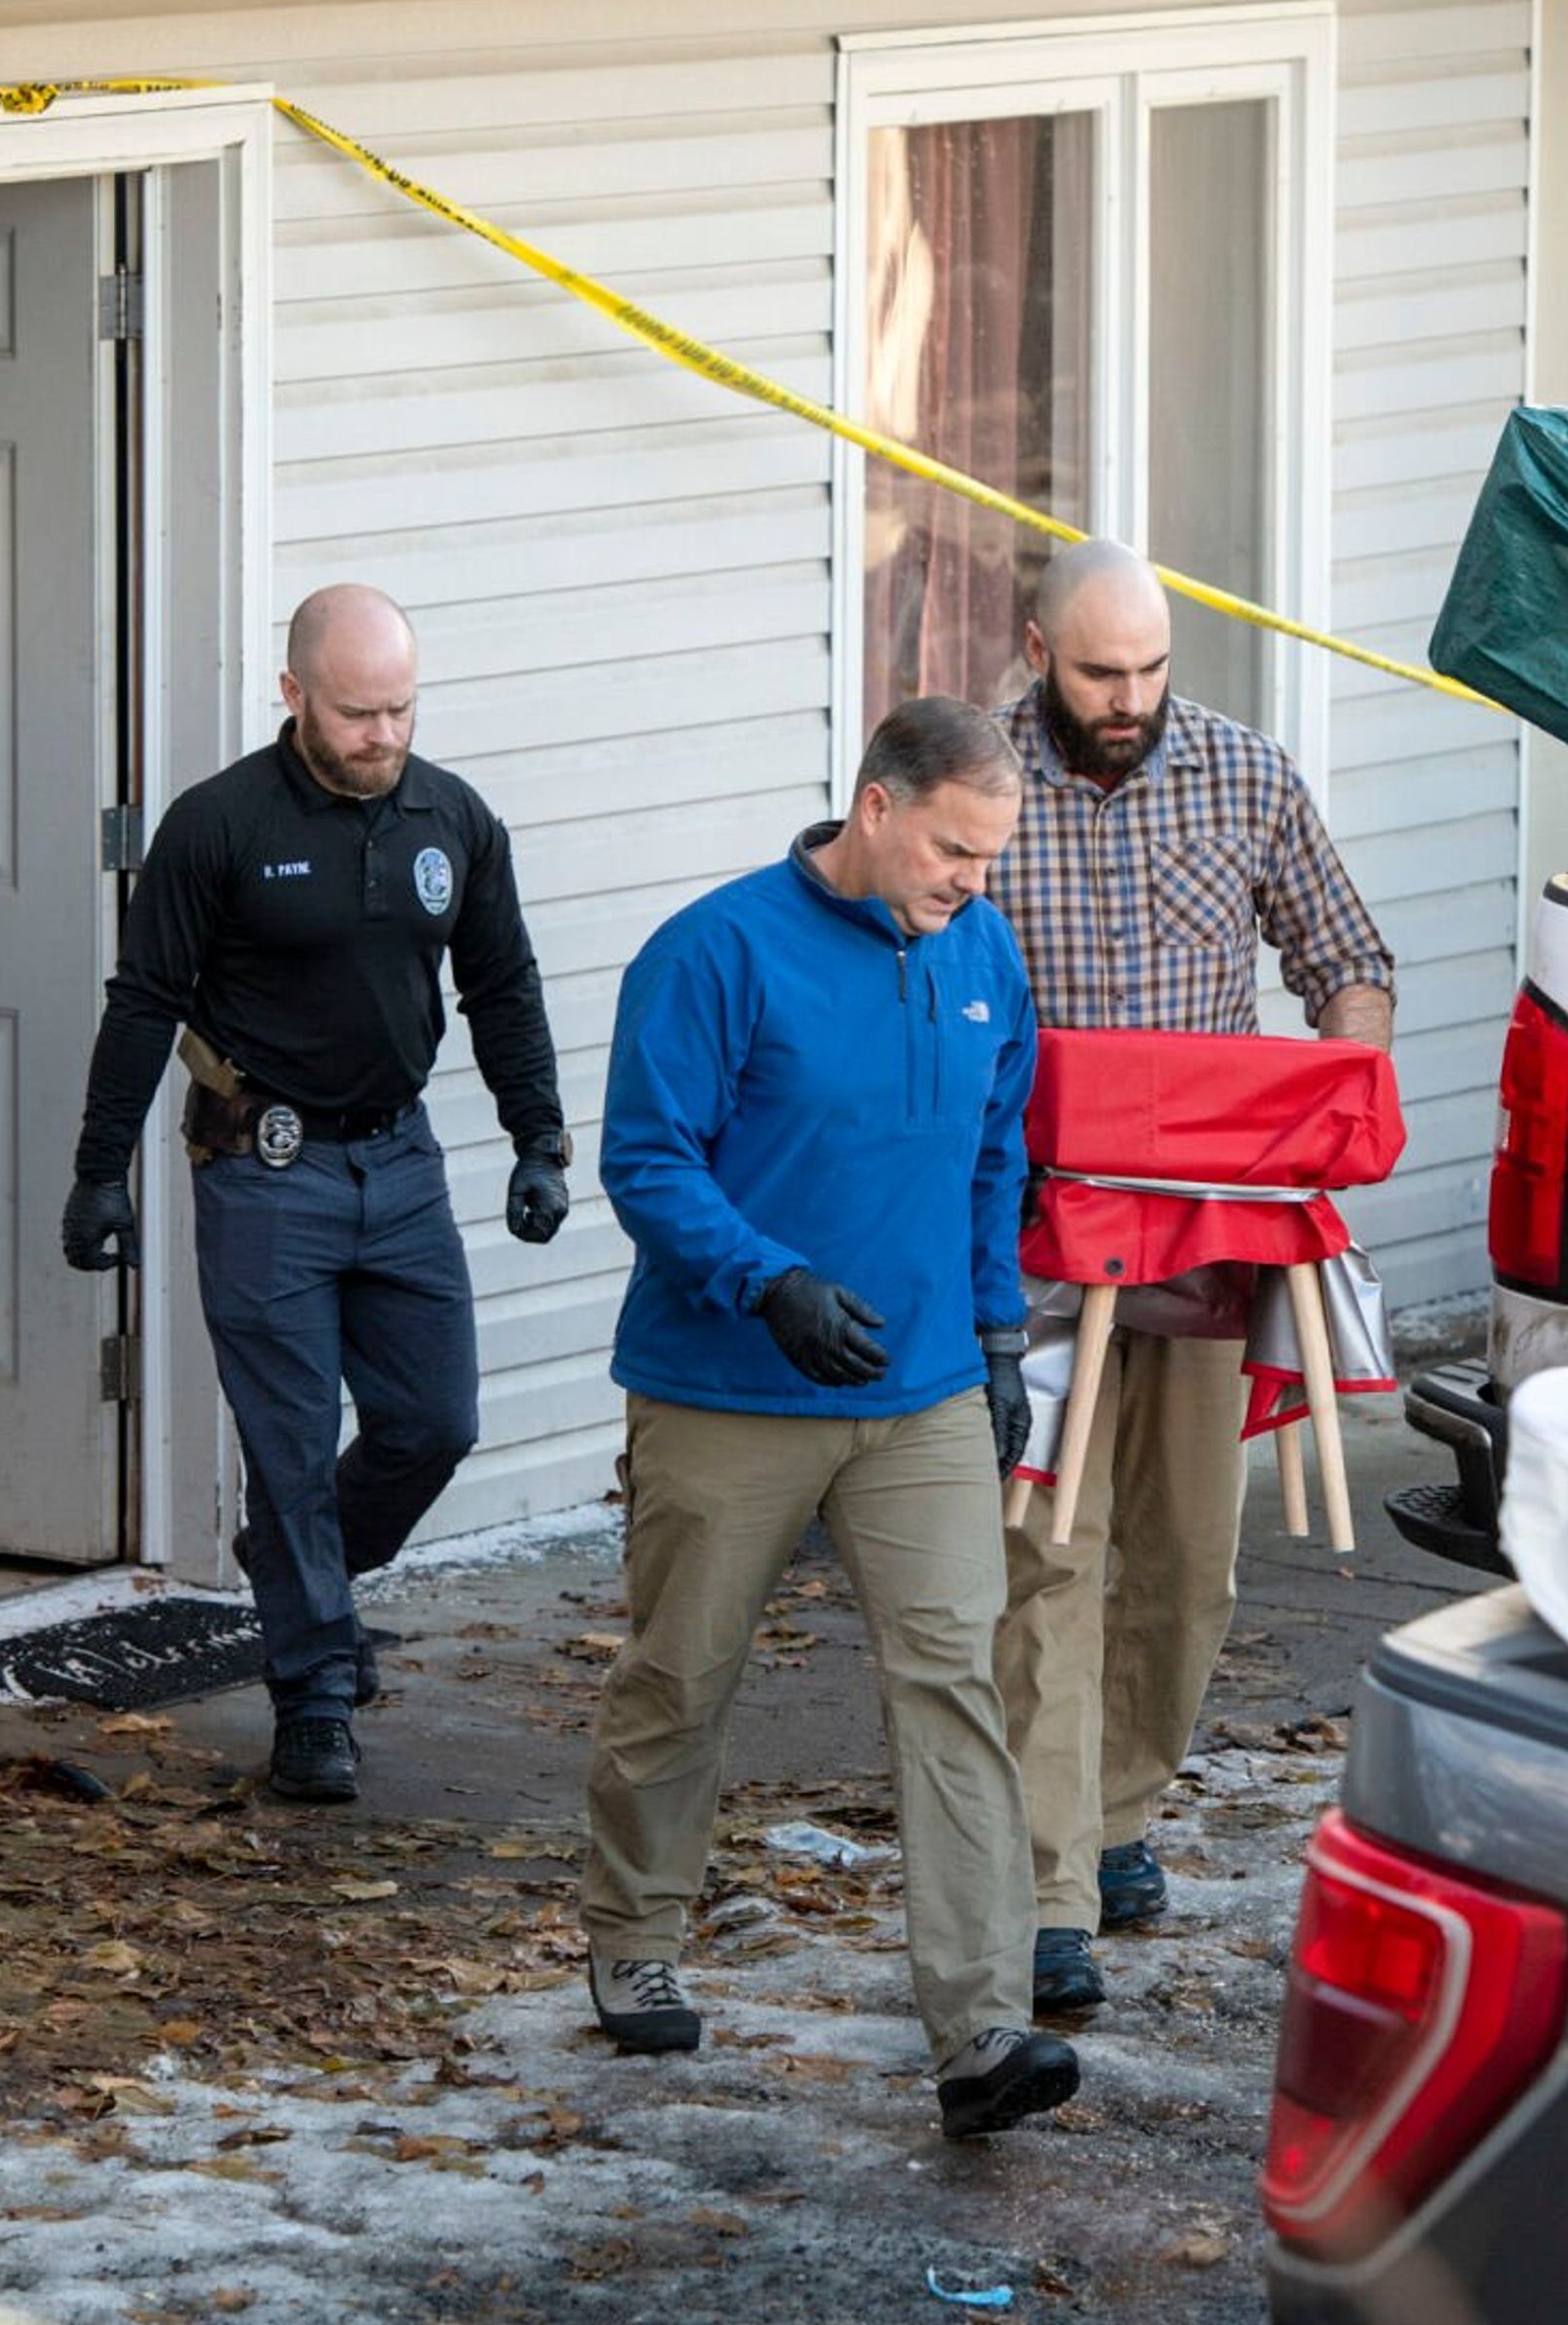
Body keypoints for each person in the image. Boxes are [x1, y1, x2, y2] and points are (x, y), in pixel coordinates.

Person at [580, 696, 1078, 2141]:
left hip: (920, 1389)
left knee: (954, 1684)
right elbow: (648, 1157)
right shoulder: (717, 951)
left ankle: (982, 2024)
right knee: (683, 1671)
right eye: (952, 848)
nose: (971, 882)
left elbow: (997, 1155)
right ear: (875, 805)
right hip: (729, 1384)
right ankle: (633, 1930)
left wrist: (997, 1341)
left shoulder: (981, 950)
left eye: (990, 856)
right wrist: (767, 1279)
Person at [58, 584, 571, 1808]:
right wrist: (97, 1171)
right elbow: (144, 1002)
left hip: (400, 1163)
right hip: (260, 1168)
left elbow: (501, 982)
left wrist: (538, 1136)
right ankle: (314, 1696)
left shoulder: (453, 818)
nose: (381, 735)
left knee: (432, 1421)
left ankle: (304, 1581)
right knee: (288, 1450)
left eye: (399, 708)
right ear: (293, 694)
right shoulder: (218, 825)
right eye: (355, 712)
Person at [984, 538, 1394, 2016]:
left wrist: (1342, 1088)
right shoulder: (987, 784)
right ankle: (1043, 1889)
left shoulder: (1243, 773)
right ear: (1037, 653)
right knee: (1049, 1553)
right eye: (1102, 672)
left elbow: (1349, 956)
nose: (1131, 697)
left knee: (1189, 1559)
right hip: (1039, 1244)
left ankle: (1122, 1813)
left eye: (1152, 669)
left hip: (1215, 1241)